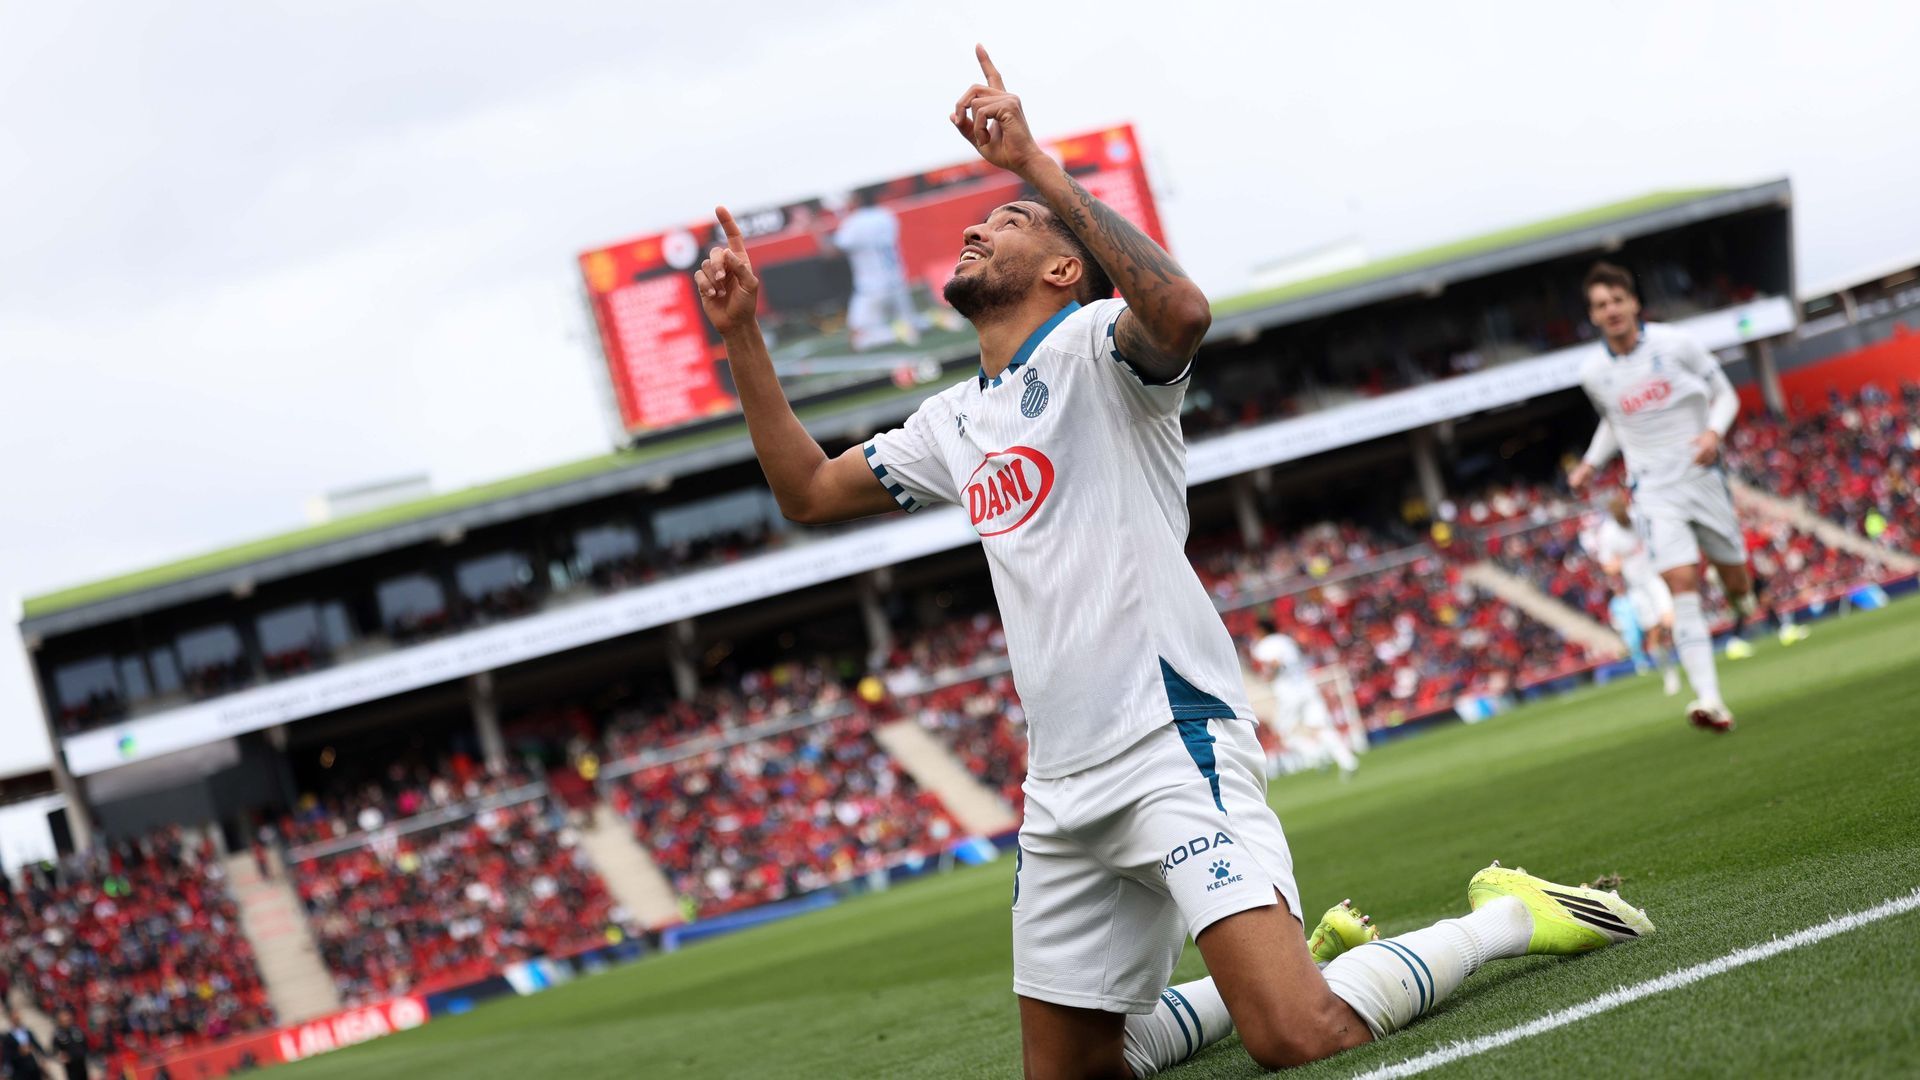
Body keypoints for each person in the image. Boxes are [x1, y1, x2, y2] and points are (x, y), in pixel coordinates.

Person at [694, 45, 1654, 1078]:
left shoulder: (1105, 347)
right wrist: (745, 335)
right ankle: (1292, 956)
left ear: (1065, 269)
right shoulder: (951, 420)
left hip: (1167, 740)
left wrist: (1037, 168)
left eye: (1004, 224)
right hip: (1061, 787)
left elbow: (1184, 312)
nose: (975, 227)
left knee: (1295, 1035)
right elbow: (806, 491)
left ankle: (1504, 917)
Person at [1568, 261, 1747, 733]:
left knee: (1735, 579)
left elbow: (1726, 395)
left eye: (1617, 301)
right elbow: (1615, 420)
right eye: (1600, 305)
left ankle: (1741, 605)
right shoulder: (1594, 373)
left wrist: (1713, 432)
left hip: (1702, 474)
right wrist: (1591, 462)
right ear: (1593, 316)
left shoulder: (1677, 344)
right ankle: (1710, 699)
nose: (1611, 310)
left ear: (1634, 303)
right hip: (1651, 487)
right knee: (1682, 584)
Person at [1589, 493, 1682, 695]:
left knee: (1670, 620)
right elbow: (1608, 567)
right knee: (1654, 633)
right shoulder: (1608, 534)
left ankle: (1693, 662)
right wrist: (1622, 561)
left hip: (1656, 577)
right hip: (1637, 588)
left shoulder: (1639, 517)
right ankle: (1669, 673)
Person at [814, 189, 926, 351]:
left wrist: (817, 229)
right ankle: (932, 320)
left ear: (858, 197)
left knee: (858, 338)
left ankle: (896, 333)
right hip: (897, 282)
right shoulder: (886, 215)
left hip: (871, 288)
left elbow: (830, 253)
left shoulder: (855, 223)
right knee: (910, 321)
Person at [1249, 619, 1357, 776]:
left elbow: (1275, 663)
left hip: (1288, 692)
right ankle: (1348, 762)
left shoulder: (1263, 646)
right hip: (1307, 687)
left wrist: (1269, 676)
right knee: (1321, 727)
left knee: (1284, 732)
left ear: (1261, 631)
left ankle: (1316, 755)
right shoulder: (1286, 640)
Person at [2, 1012, 47, 1080]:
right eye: (15, 1019)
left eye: (18, 1018)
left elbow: (36, 1044)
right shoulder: (7, 1037)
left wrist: (43, 1056)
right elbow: (7, 1055)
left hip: (32, 1066)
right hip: (18, 1069)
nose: (17, 1020)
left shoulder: (27, 1031)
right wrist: (20, 1053)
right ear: (11, 1020)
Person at [47, 1011, 85, 1080]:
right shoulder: (58, 1035)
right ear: (59, 1022)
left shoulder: (76, 1030)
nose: (67, 1022)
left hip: (81, 1062)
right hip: (71, 1066)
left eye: (68, 1020)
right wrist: (60, 1056)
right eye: (64, 1021)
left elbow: (84, 1043)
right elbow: (54, 1051)